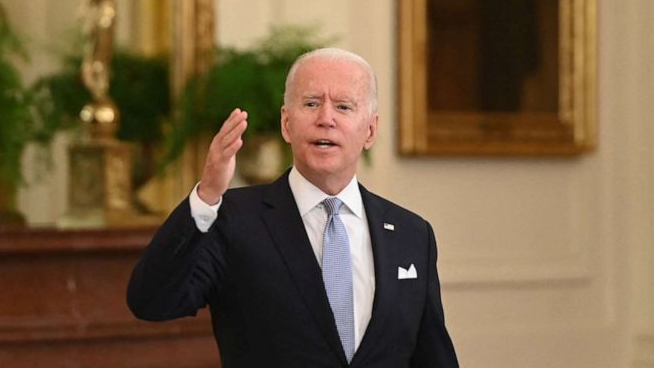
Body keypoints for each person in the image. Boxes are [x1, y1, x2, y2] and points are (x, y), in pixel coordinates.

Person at [127, 48, 459, 367]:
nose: (325, 118)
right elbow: (152, 301)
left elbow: (433, 357)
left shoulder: (412, 234)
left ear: (370, 130)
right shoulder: (234, 219)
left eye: (343, 107)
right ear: (287, 124)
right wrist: (207, 197)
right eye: (311, 103)